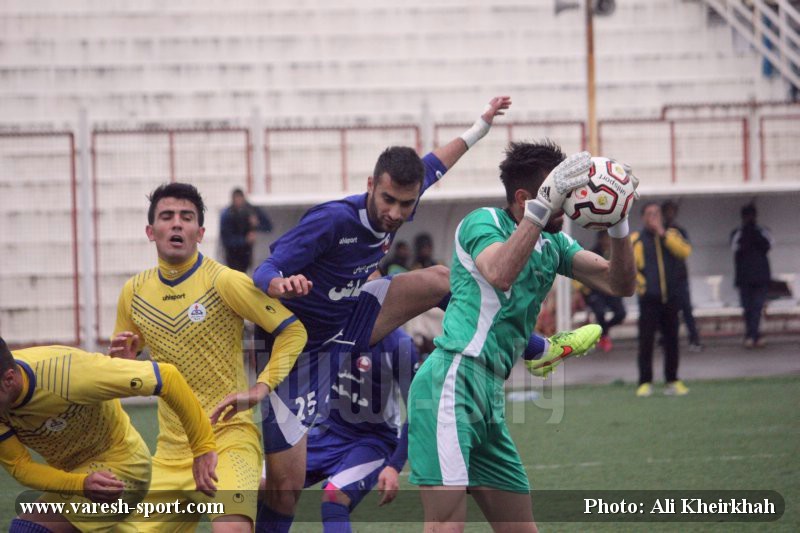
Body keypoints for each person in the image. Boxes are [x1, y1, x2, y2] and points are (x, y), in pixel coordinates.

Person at [238, 95, 512, 532]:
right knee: (284, 490)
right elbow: (264, 270)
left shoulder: (403, 199)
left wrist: (481, 126)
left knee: (443, 278)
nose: (395, 213)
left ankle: (528, 344)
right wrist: (279, 285)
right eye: (388, 200)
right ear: (370, 185)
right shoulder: (333, 221)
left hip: (352, 319)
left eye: (406, 204)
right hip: (298, 352)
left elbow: (436, 164)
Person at [407, 141, 637, 532]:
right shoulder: (482, 222)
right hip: (450, 382)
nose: (567, 207)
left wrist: (619, 222)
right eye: (560, 196)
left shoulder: (554, 243)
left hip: (489, 397)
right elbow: (499, 272)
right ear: (523, 199)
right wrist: (544, 204)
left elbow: (620, 284)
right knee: (446, 526)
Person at [111, 182, 307, 532]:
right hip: (172, 453)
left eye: (186, 217)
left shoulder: (225, 281)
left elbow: (293, 331)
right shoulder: (133, 293)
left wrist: (260, 388)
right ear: (150, 231)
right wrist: (124, 364)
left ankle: (251, 485)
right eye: (167, 216)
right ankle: (260, 489)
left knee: (231, 528)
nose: (176, 223)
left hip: (229, 440)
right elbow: (125, 374)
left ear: (200, 233)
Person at [0, 337, 217, 533]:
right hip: (75, 476)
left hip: (121, 467)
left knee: (28, 530)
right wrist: (80, 484)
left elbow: (167, 377)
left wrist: (203, 448)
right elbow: (20, 466)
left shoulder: (70, 373)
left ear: (9, 379)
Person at [303, 328, 418, 532]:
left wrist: (394, 466)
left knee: (334, 496)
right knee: (264, 484)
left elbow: (417, 411)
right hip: (326, 431)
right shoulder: (335, 325)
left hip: (373, 441)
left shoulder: (400, 345)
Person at [631, 202, 692, 398]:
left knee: (672, 340)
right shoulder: (637, 239)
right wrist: (641, 286)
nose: (654, 217)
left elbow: (684, 251)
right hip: (648, 300)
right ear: (643, 217)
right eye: (649, 214)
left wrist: (662, 233)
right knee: (646, 342)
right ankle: (645, 382)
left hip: (671, 298)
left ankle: (672, 380)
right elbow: (630, 266)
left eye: (656, 213)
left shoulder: (672, 234)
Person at [661, 200, 703, 351]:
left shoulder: (680, 231)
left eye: (672, 211)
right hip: (665, 278)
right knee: (666, 311)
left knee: (686, 309)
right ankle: (665, 339)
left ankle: (694, 339)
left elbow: (686, 250)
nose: (670, 214)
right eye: (667, 211)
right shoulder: (659, 231)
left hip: (680, 276)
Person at [730, 203, 772, 348]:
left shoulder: (762, 231)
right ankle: (753, 335)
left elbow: (769, 245)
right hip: (744, 277)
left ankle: (752, 336)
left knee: (757, 307)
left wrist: (754, 234)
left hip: (761, 276)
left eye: (752, 215)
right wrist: (747, 234)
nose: (750, 218)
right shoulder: (738, 233)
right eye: (747, 216)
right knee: (747, 308)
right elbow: (735, 248)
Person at [580, 231, 627, 352]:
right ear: (600, 240)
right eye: (605, 238)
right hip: (596, 291)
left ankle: (603, 331)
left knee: (621, 313)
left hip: (611, 291)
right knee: (600, 312)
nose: (608, 241)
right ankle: (604, 336)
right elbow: (586, 274)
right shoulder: (592, 254)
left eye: (609, 239)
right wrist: (587, 292)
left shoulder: (615, 253)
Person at [220, 187, 273, 273]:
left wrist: (257, 224)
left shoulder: (251, 210)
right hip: (232, 255)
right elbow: (226, 240)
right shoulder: (227, 215)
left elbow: (268, 227)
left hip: (247, 254)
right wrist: (245, 240)